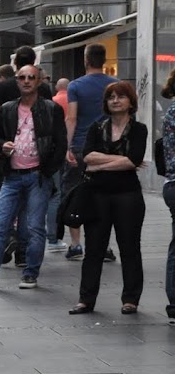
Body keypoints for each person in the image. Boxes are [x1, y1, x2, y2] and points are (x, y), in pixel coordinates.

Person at [0, 65, 66, 292]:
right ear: (16, 81)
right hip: (11, 175)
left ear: (39, 81)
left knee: (35, 227)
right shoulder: (7, 109)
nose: (26, 81)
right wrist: (0, 145)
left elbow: (61, 144)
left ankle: (31, 273)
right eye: (21, 77)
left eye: (31, 77)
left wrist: (47, 171)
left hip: (37, 176)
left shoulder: (51, 109)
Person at [70, 81, 146, 315]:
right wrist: (118, 161)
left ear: (130, 101)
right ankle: (86, 299)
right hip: (98, 195)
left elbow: (132, 159)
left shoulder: (138, 129)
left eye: (121, 97)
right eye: (111, 97)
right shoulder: (96, 127)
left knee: (129, 247)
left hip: (128, 196)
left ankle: (130, 299)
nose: (115, 100)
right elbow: (87, 157)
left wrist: (101, 164)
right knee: (94, 248)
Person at [62, 44, 118, 261]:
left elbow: (72, 118)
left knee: (75, 193)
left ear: (86, 60)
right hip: (108, 147)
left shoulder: (75, 86)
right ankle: (104, 246)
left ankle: (76, 245)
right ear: (103, 61)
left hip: (81, 146)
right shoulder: (115, 84)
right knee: (105, 195)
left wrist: (67, 146)